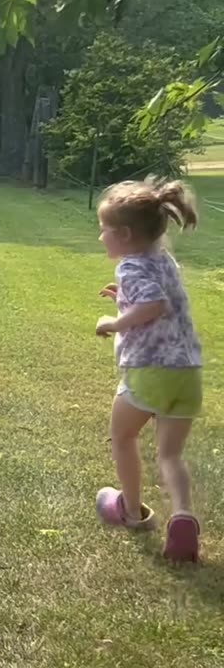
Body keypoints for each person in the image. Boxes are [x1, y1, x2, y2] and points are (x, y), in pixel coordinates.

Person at [93, 176, 203, 562]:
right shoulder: (163, 260)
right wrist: (124, 298)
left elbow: (153, 306)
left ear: (123, 234)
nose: (101, 237)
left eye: (104, 230)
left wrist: (114, 321)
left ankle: (131, 511)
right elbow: (159, 299)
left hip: (151, 371)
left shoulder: (130, 267)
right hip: (187, 372)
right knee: (170, 455)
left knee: (122, 437)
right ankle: (184, 518)